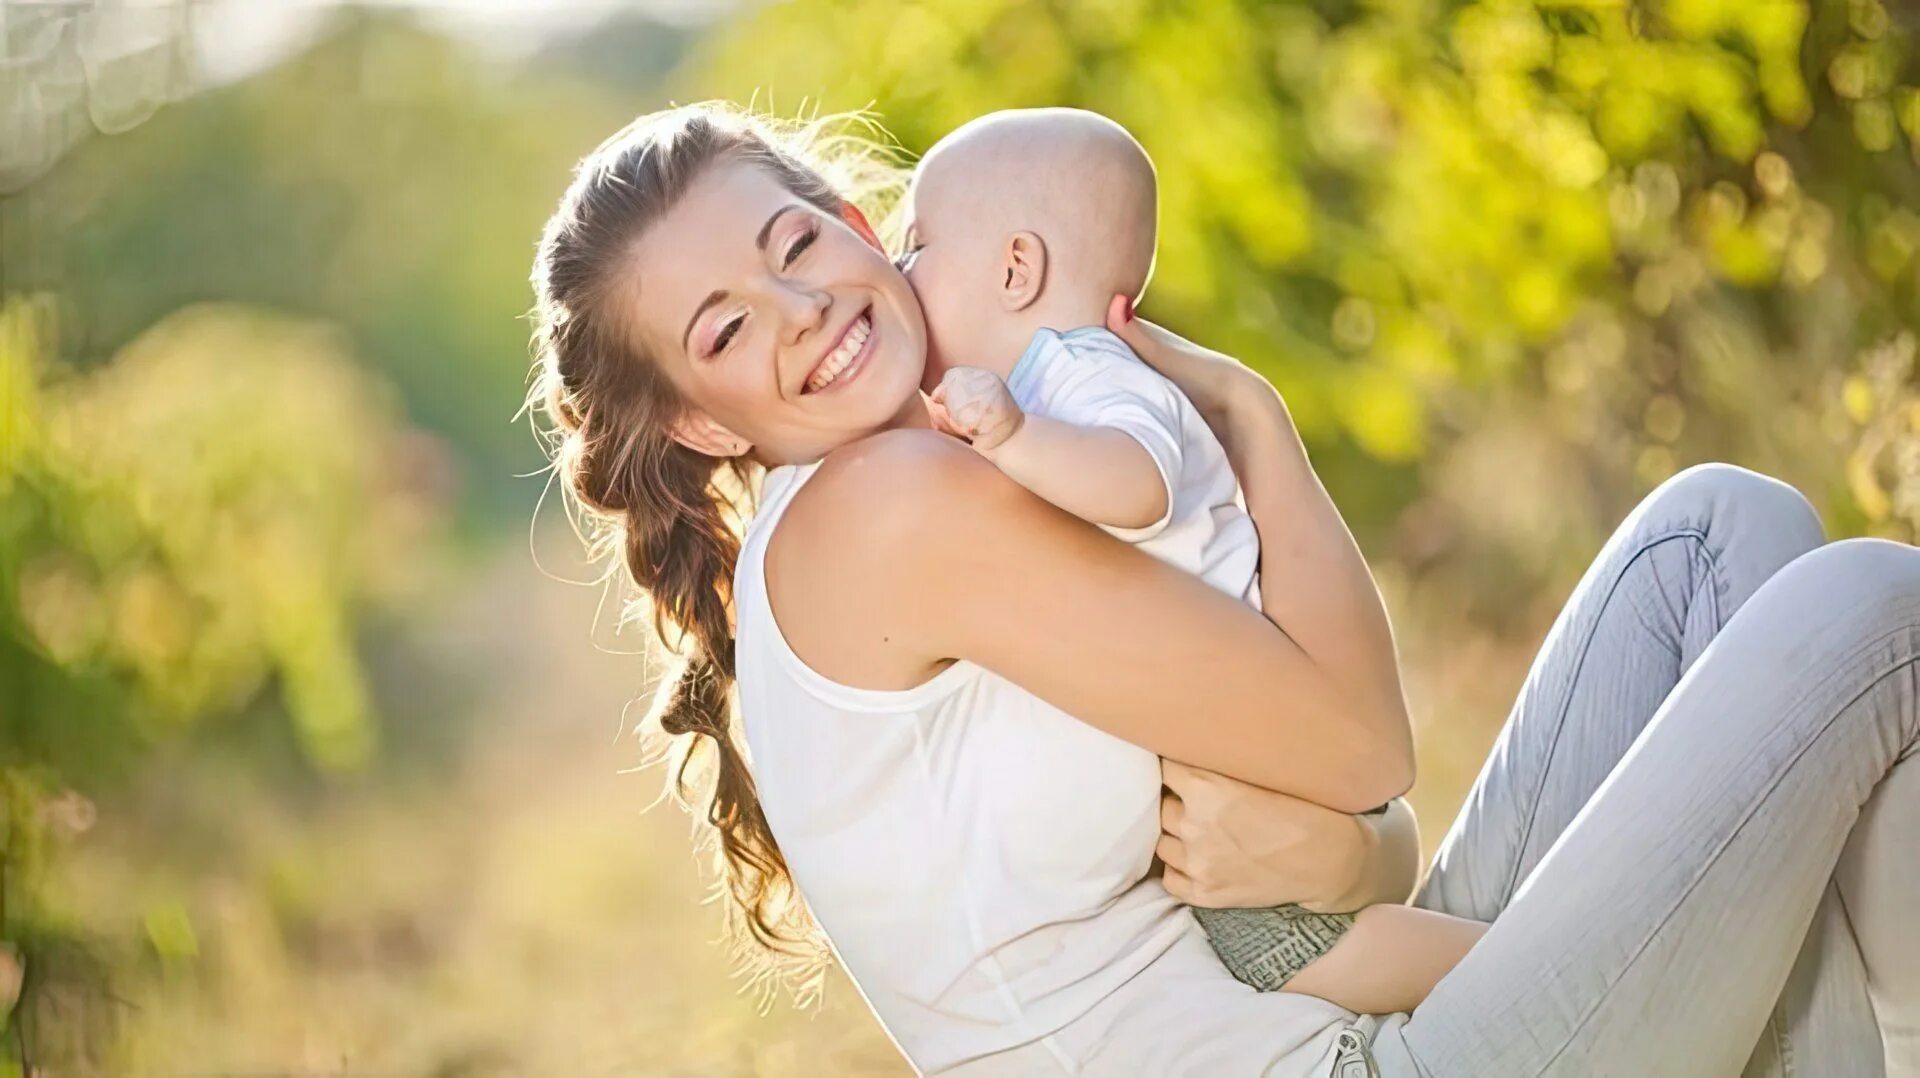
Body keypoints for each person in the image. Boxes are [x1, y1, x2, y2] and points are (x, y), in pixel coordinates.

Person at [527, 101, 1920, 1076]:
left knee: (1714, 542)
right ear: (702, 424)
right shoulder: (885, 515)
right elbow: (1362, 741)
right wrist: (1255, 421)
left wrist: (1347, 854)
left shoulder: (977, 465)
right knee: (1863, 611)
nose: (804, 311)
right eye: (725, 327)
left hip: (1341, 1009)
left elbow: (1326, 841)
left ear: (855, 222)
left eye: (794, 249)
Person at [902, 106, 1486, 1014]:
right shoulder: (1053, 386)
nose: (904, 276)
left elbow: (1138, 483)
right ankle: (1537, 967)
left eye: (917, 248)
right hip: (1262, 733)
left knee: (1293, 952)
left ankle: (1530, 971)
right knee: (1306, 944)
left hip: (1258, 759)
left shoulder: (1084, 373)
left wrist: (1013, 437)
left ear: (1015, 268)